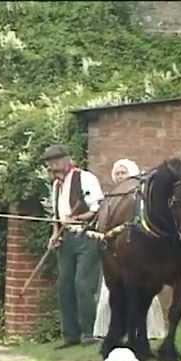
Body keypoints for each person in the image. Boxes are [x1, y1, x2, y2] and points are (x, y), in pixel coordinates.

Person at [93, 159, 167, 340]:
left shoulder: (140, 198)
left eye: (123, 173)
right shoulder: (111, 199)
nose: (120, 176)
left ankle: (147, 332)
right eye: (117, 173)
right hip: (114, 255)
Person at [44, 144, 104, 349]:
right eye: (51, 163)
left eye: (57, 161)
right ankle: (71, 336)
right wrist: (55, 234)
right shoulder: (56, 185)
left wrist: (77, 218)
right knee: (64, 285)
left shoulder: (85, 178)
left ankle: (89, 333)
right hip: (66, 239)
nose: (54, 165)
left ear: (67, 159)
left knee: (83, 284)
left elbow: (97, 209)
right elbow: (57, 216)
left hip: (86, 236)